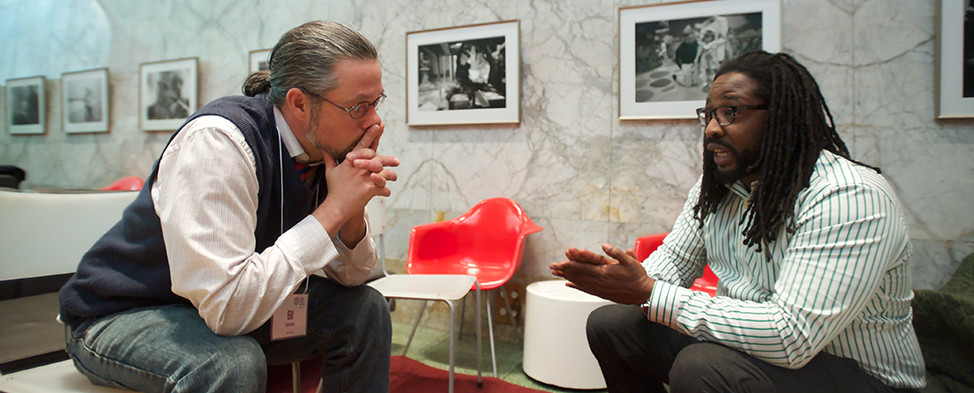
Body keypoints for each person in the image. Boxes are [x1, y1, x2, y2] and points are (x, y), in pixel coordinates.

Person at [550, 51, 925, 393]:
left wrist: (648, 292)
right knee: (612, 327)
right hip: (754, 350)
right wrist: (622, 281)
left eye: (731, 112)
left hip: (863, 376)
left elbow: (789, 337)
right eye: (709, 114)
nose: (712, 128)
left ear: (780, 117)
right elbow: (673, 266)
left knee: (703, 367)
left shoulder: (848, 196)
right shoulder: (717, 189)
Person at [59, 20, 398, 393]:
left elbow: (352, 277)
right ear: (299, 103)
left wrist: (350, 211)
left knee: (366, 310)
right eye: (358, 107)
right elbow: (227, 310)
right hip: (126, 313)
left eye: (376, 102)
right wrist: (333, 209)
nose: (375, 120)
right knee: (233, 361)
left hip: (227, 306)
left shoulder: (327, 152)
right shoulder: (218, 144)